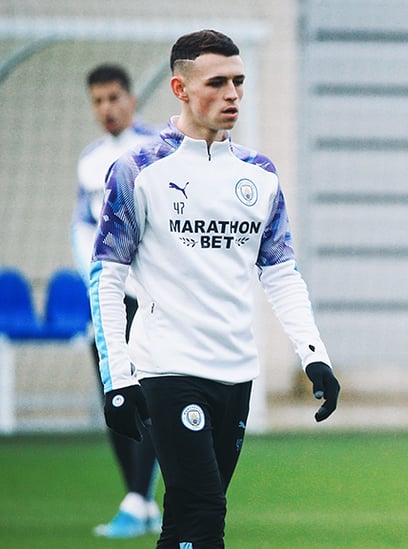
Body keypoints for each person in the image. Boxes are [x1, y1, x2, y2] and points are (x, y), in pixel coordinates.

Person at [88, 29, 341, 548]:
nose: (233, 95)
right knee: (206, 509)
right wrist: (116, 376)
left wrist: (314, 355)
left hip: (235, 373)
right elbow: (106, 276)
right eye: (218, 83)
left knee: (184, 519)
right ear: (180, 89)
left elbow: (280, 272)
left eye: (239, 82)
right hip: (167, 369)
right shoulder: (139, 170)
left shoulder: (260, 174)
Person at [72, 63, 162, 538]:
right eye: (97, 100)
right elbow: (82, 226)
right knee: (115, 395)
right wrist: (95, 280)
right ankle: (140, 501)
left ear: (130, 99)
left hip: (143, 297)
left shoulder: (154, 152)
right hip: (102, 297)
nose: (106, 108)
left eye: (113, 98)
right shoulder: (89, 161)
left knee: (143, 395)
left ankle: (138, 500)